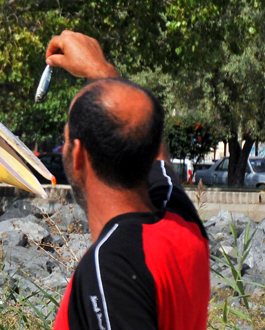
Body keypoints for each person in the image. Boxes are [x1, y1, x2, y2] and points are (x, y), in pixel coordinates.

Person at [46, 31, 210, 330]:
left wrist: (103, 73)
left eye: (66, 138)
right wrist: (102, 72)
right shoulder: (183, 225)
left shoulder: (110, 267)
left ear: (79, 155)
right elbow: (148, 138)